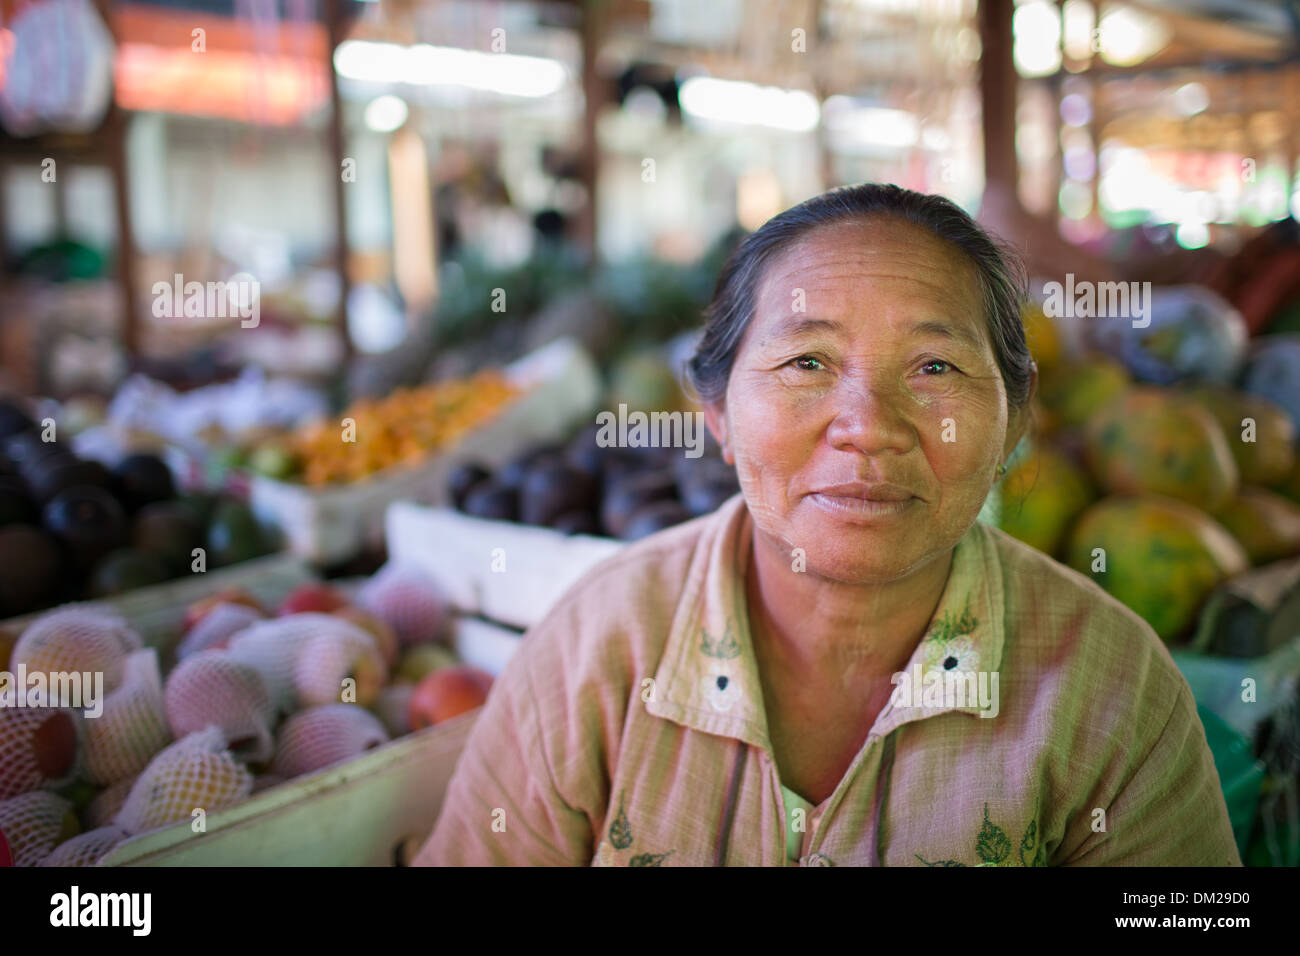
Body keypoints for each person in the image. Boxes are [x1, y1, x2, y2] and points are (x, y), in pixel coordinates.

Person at [414, 182, 1241, 866]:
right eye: (806, 362)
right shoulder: (594, 650)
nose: (867, 424)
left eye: (934, 367)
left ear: (1014, 423)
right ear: (717, 414)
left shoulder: (1114, 690)